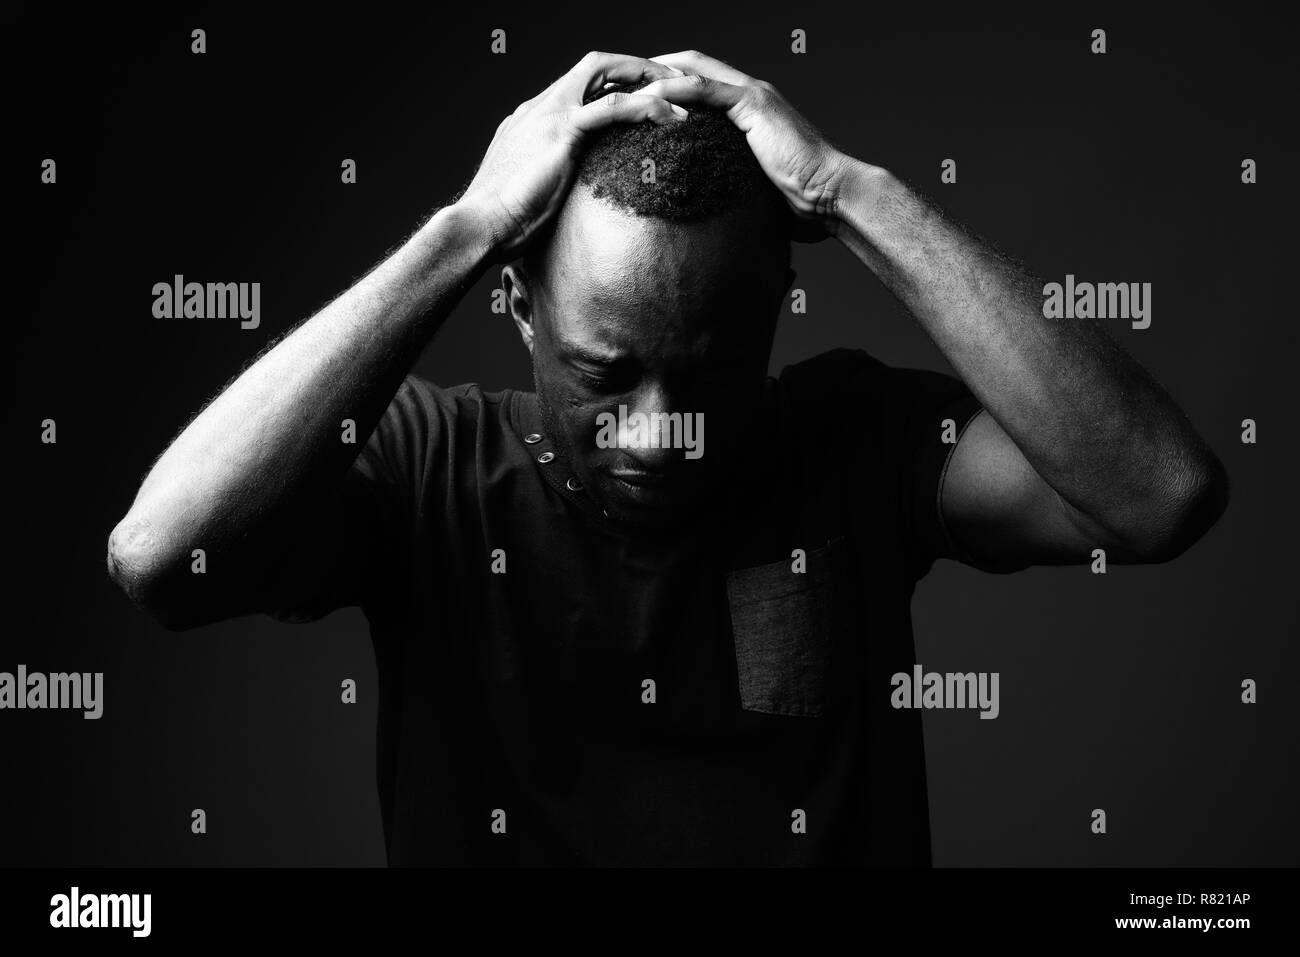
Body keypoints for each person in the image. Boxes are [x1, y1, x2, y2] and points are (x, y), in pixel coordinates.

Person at [106, 50, 1229, 865]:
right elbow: (161, 557)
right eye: (604, 373)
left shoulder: (858, 441)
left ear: (777, 314)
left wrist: (850, 192)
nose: (658, 429)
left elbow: (1159, 496)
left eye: (709, 373)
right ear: (517, 308)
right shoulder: (425, 467)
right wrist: (472, 223)